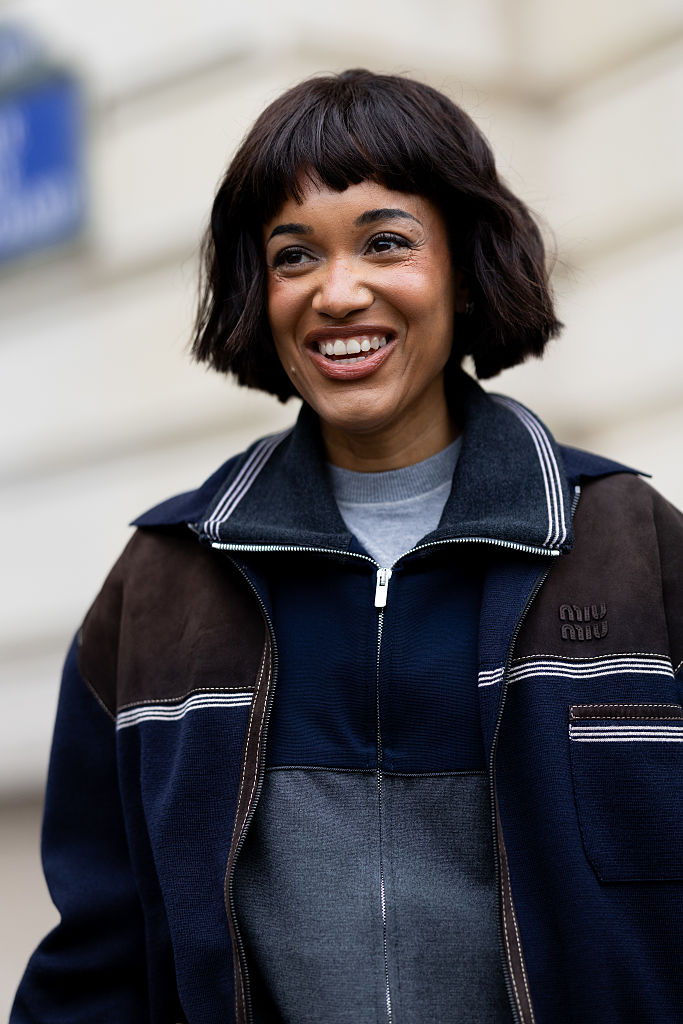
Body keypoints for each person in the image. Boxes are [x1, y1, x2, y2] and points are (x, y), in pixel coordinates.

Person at [11, 69, 683, 1024]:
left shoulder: (628, 545)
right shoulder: (162, 587)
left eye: (385, 243)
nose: (337, 292)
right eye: (293, 256)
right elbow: (99, 959)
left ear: (463, 263)